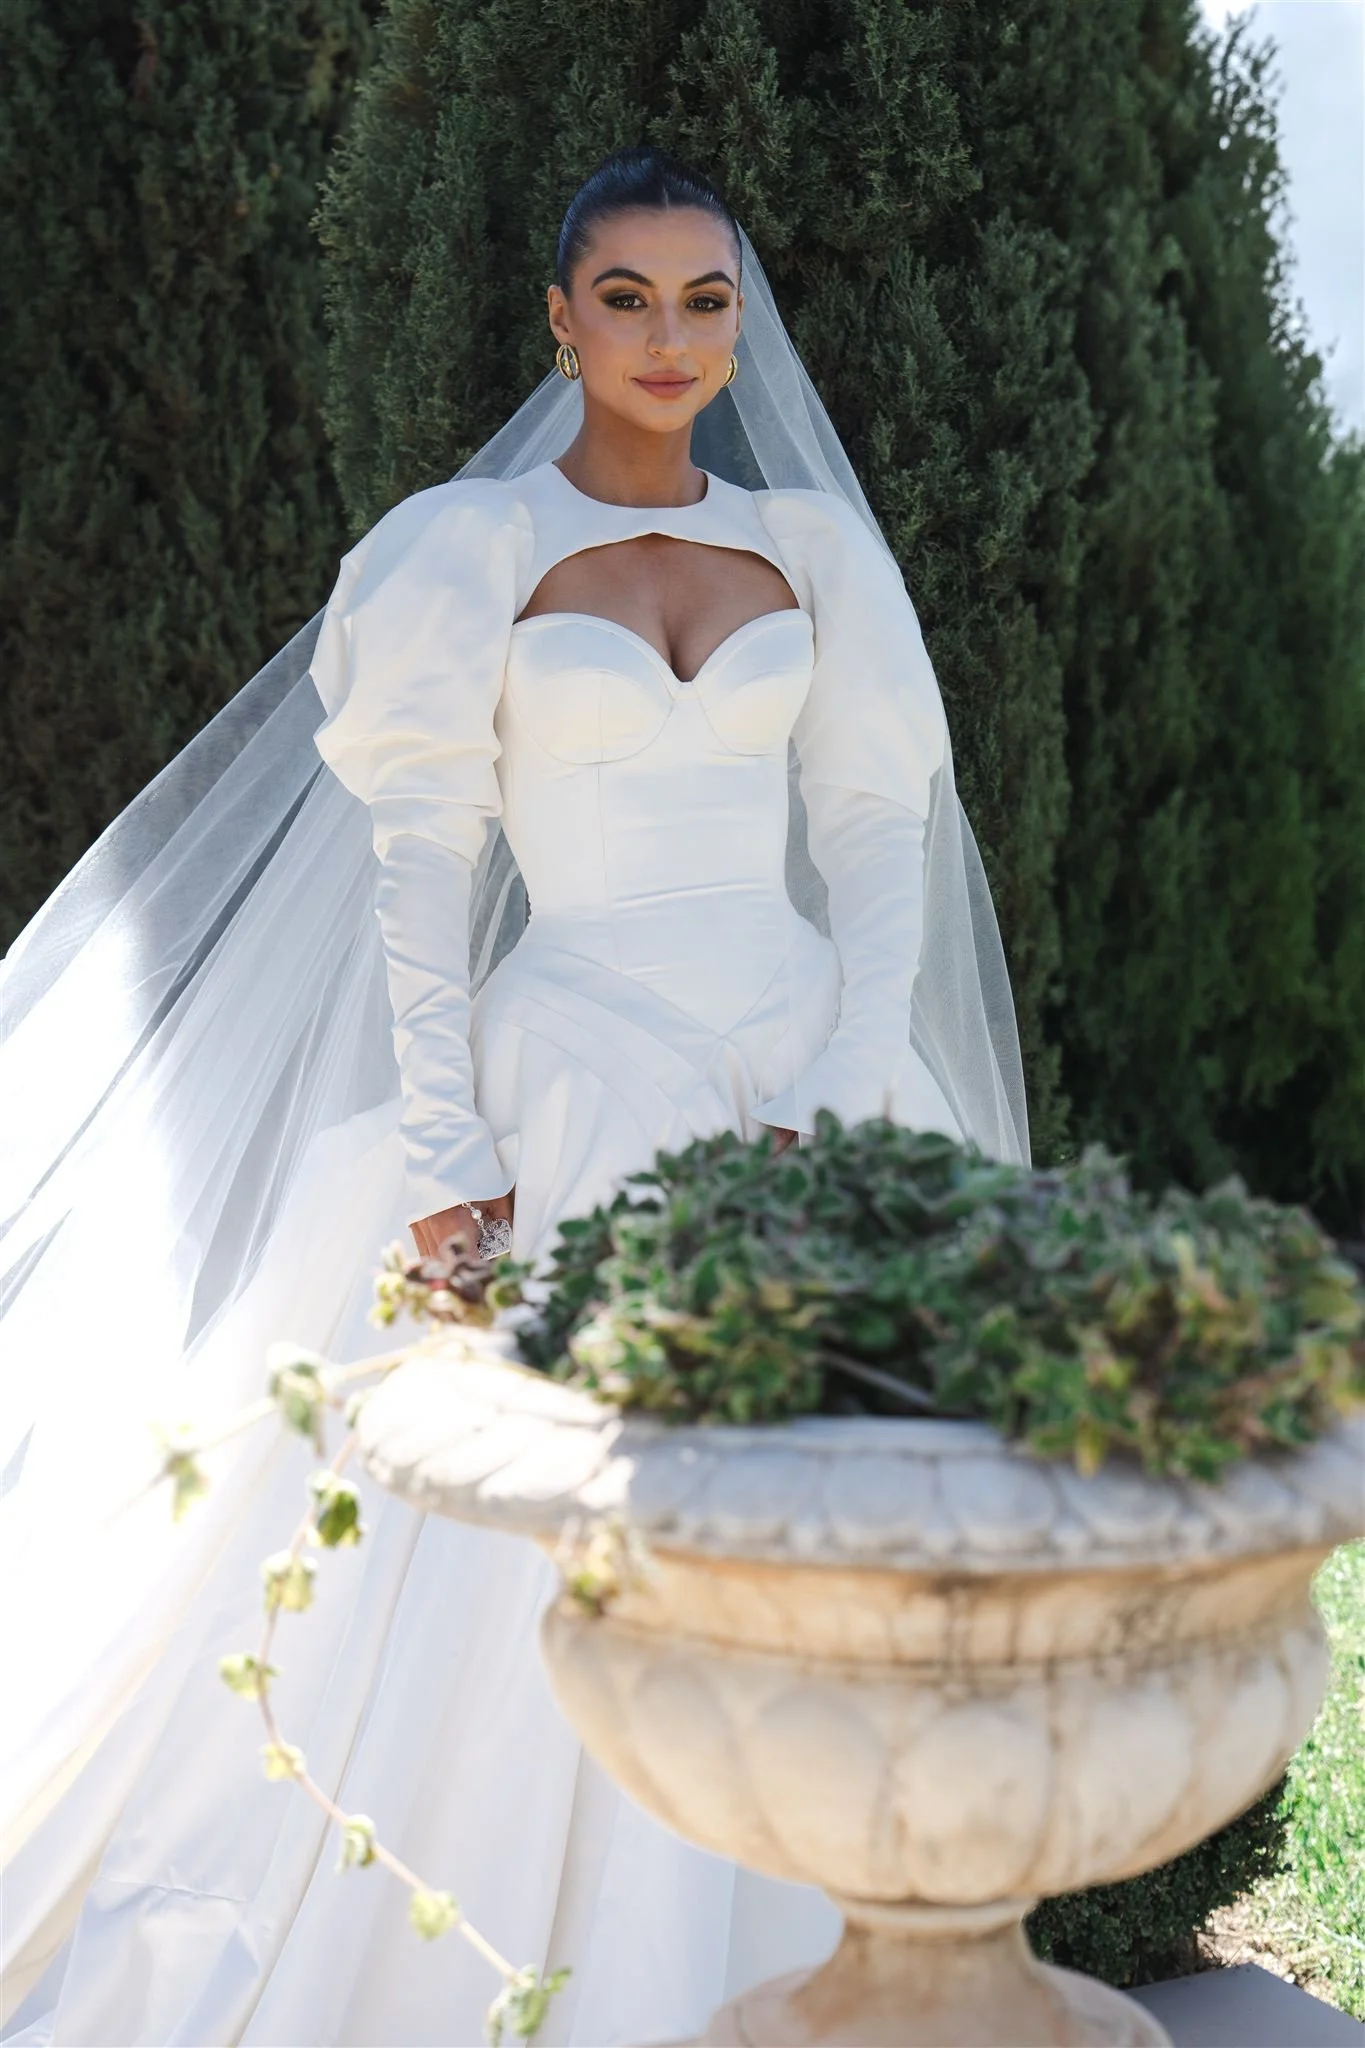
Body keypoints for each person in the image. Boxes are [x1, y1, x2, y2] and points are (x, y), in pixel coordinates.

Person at [0, 147, 1028, 2045]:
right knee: (532, 1546)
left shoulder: (818, 559)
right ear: (558, 319)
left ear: (741, 321)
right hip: (566, 1064)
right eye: (625, 297)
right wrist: (442, 1139)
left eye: (704, 298)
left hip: (806, 1057)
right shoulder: (460, 552)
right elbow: (420, 857)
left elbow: (881, 831)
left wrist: (848, 1077)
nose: (667, 335)